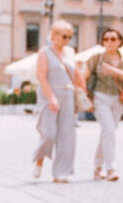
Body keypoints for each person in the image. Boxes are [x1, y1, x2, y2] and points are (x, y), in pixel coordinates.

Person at [32, 20, 86, 182]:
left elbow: (76, 74)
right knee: (49, 133)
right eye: (64, 36)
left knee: (67, 135)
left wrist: (83, 92)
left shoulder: (70, 52)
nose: (67, 40)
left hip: (68, 95)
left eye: (70, 36)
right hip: (50, 94)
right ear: (54, 35)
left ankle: (61, 171)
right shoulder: (44, 52)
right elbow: (41, 76)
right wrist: (51, 98)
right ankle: (39, 158)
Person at [86, 28, 123, 181]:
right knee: (108, 130)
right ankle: (111, 169)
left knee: (108, 133)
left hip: (118, 100)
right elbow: (83, 76)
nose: (109, 42)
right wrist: (85, 97)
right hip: (100, 97)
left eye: (113, 39)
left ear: (120, 41)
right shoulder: (96, 58)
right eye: (106, 39)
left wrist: (114, 71)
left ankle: (97, 167)